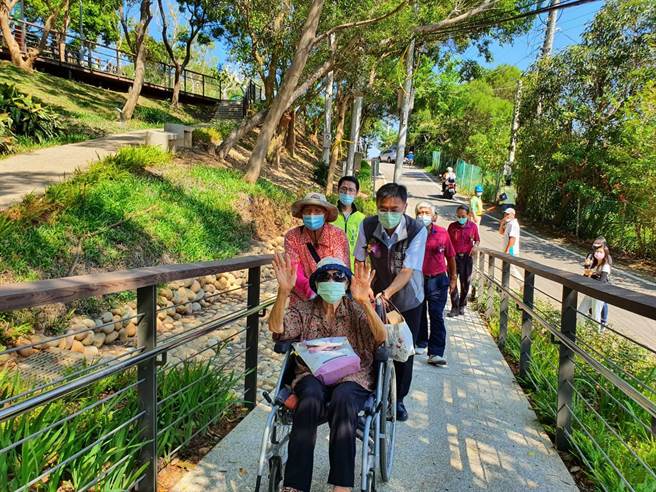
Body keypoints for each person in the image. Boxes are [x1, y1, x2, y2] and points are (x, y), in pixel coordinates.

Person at [268, 255, 386, 492]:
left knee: (343, 398)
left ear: (347, 283)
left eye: (338, 276)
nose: (331, 280)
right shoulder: (303, 310)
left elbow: (382, 338)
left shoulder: (356, 308)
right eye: (324, 276)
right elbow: (276, 328)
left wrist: (364, 303)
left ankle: (342, 485)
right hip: (312, 375)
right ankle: (295, 485)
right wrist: (283, 292)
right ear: (315, 283)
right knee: (309, 397)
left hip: (353, 377)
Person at [354, 183, 427, 422]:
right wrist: (361, 287)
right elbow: (360, 260)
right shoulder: (368, 225)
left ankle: (399, 400)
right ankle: (372, 392)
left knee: (403, 350)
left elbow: (407, 271)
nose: (388, 213)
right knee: (372, 344)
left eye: (394, 208)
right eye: (382, 208)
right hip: (374, 297)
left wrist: (387, 293)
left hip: (407, 300)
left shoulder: (417, 230)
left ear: (405, 207)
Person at [284, 192, 349, 304]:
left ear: (325, 214)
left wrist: (324, 292)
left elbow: (339, 268)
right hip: (302, 299)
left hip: (332, 296)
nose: (312, 215)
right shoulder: (292, 236)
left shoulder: (338, 235)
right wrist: (310, 290)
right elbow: (294, 269)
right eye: (308, 211)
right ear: (302, 214)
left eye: (317, 211)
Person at [415, 202, 457, 364]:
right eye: (420, 212)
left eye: (426, 212)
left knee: (436, 315)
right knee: (419, 312)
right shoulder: (412, 232)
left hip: (438, 280)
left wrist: (453, 278)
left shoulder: (442, 233)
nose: (423, 215)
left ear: (433, 216)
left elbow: (451, 256)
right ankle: (420, 342)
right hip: (417, 279)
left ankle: (436, 352)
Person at [447, 205, 480, 317]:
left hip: (467, 258)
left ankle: (462, 305)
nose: (460, 218)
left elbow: (477, 240)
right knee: (452, 281)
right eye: (458, 216)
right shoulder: (452, 227)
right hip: (454, 258)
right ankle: (454, 307)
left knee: (465, 282)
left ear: (468, 215)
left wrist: (475, 246)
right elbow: (447, 242)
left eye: (463, 216)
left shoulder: (473, 226)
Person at [333, 176, 366, 269]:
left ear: (356, 193)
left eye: (351, 190)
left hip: (354, 270)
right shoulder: (329, 215)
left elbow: (370, 247)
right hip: (332, 270)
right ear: (338, 191)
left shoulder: (363, 219)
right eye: (343, 189)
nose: (347, 193)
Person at [582, 238, 612, 328]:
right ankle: (592, 318)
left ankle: (603, 321)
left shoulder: (607, 258)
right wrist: (587, 266)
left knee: (602, 304)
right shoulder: (591, 255)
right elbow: (587, 271)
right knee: (591, 306)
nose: (595, 247)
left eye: (598, 245)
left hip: (601, 284)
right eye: (594, 245)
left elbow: (603, 274)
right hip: (592, 284)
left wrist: (593, 274)